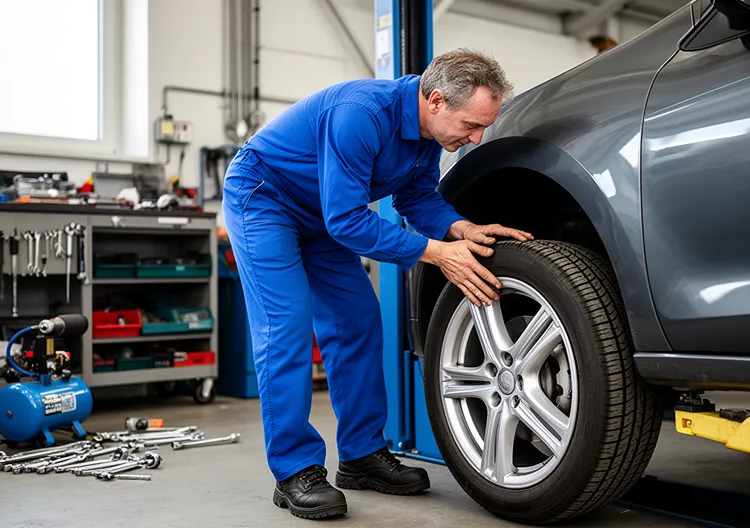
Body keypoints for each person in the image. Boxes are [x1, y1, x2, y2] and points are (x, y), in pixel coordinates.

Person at [221, 48, 533, 520]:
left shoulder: (429, 136)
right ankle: (294, 470)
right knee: (286, 325)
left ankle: (361, 456)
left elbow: (417, 198)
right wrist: (434, 253)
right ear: (435, 102)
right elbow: (346, 221)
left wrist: (461, 229)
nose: (476, 137)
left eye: (483, 126)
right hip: (264, 198)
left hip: (321, 214)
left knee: (358, 321)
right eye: (471, 125)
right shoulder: (361, 115)